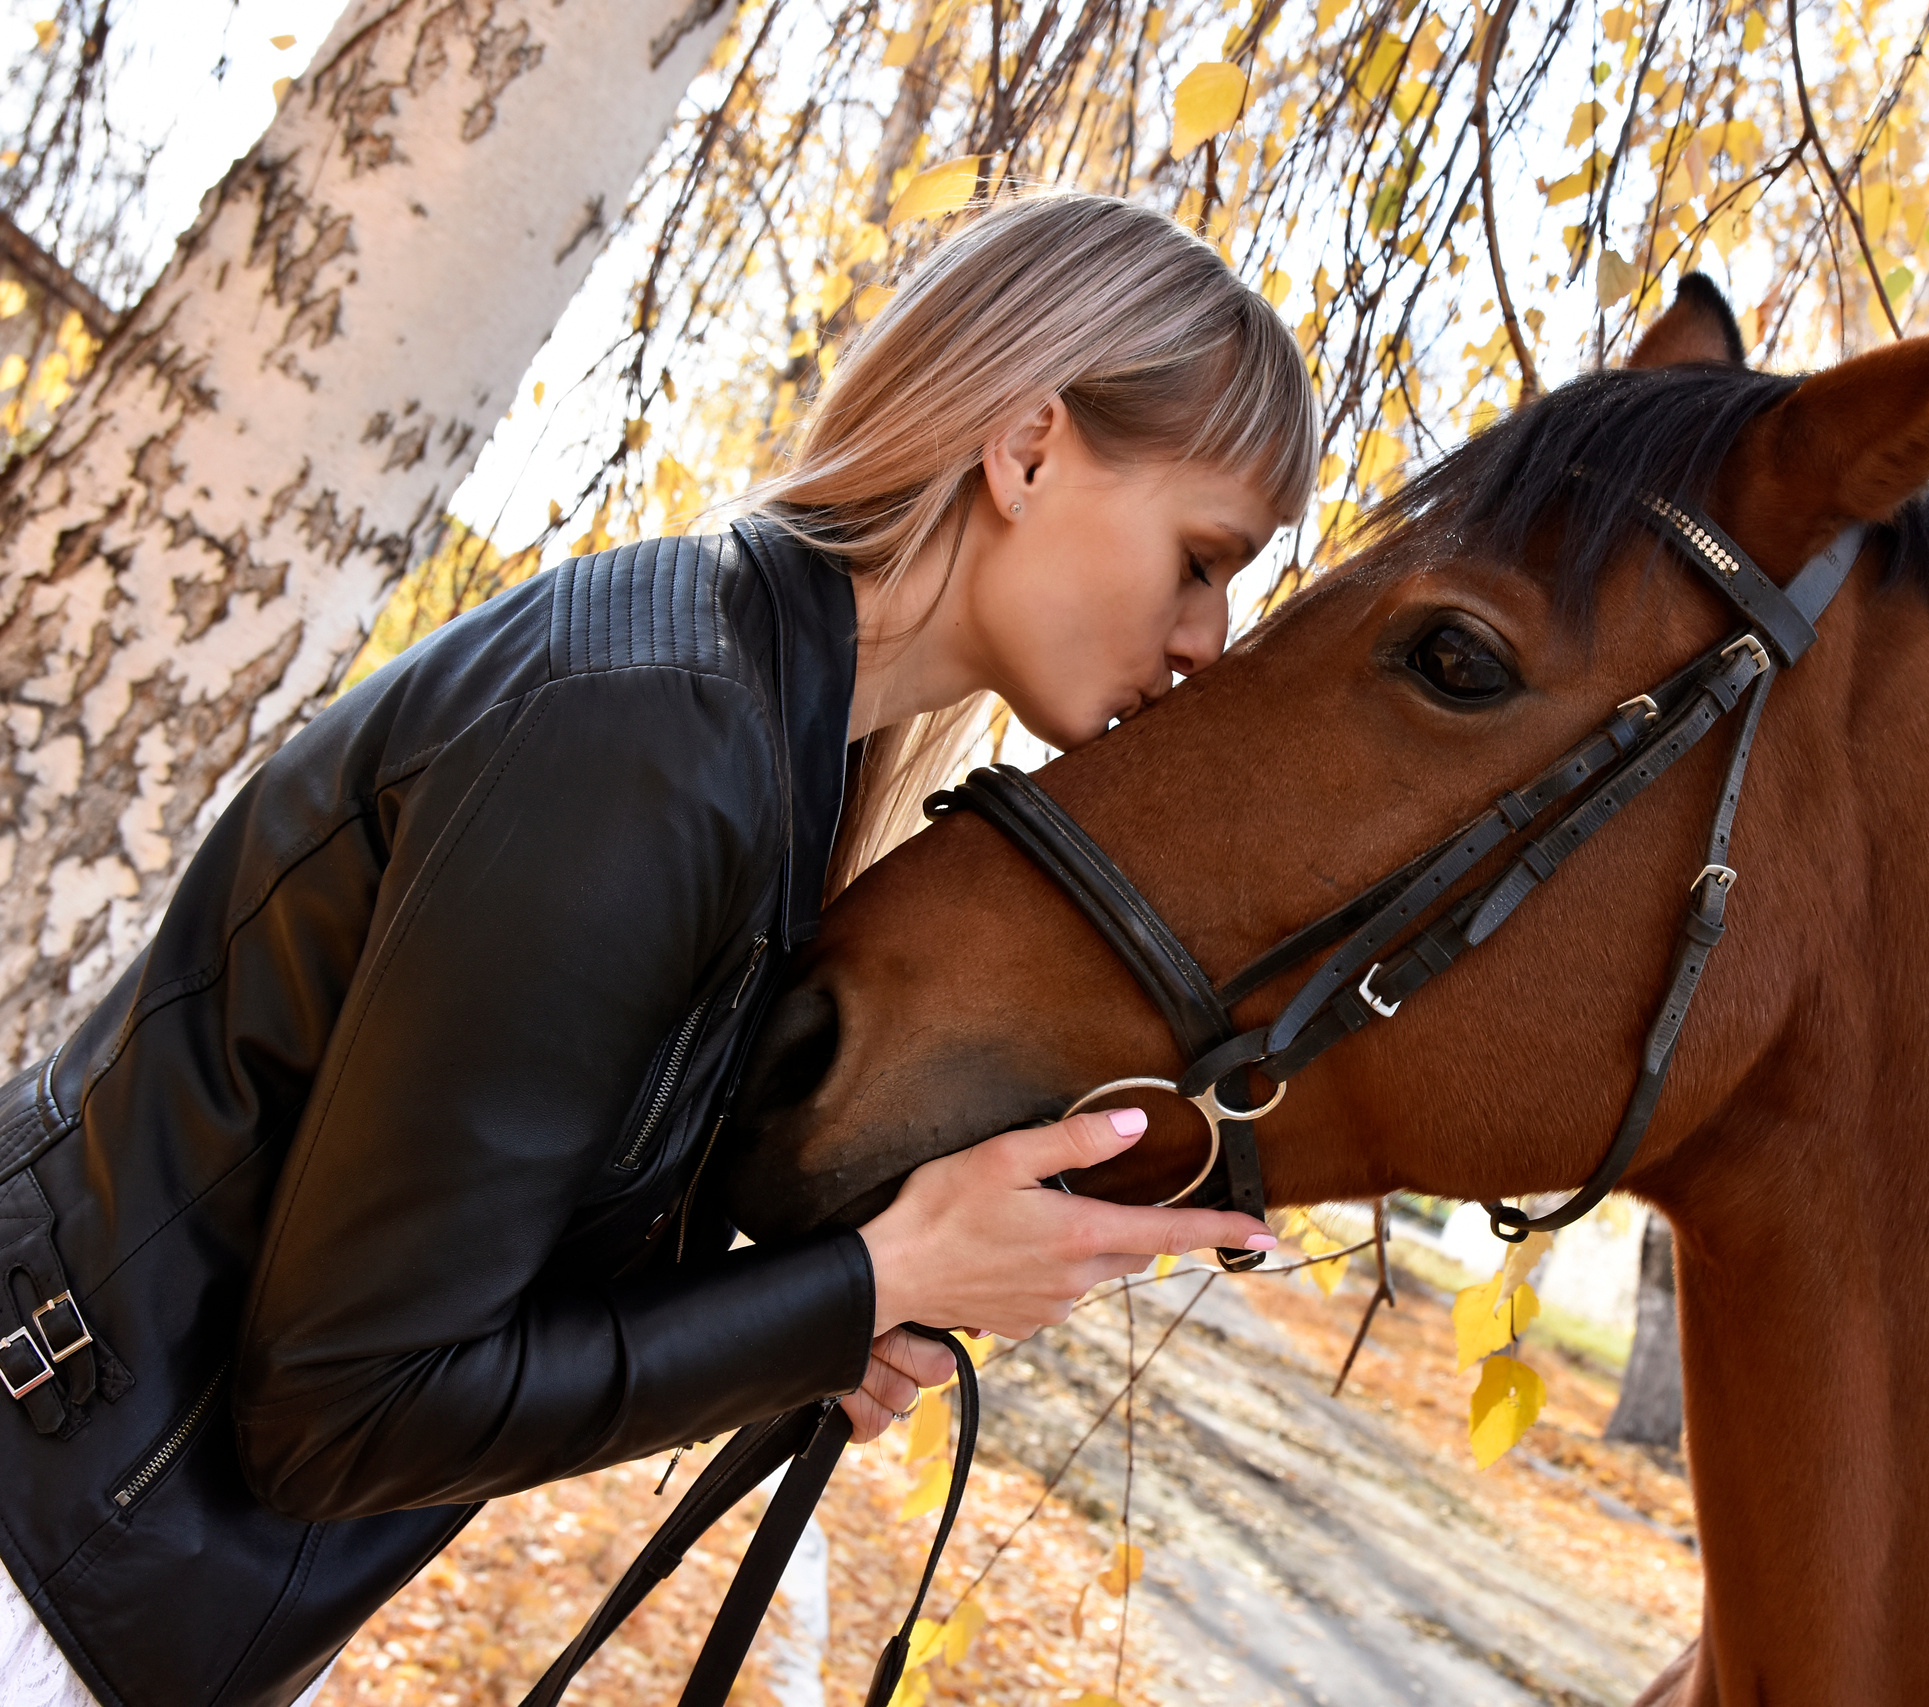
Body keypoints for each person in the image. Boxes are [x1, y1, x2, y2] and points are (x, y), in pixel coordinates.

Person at [0, 190, 1315, 1707]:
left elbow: (456, 1290)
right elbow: (346, 1409)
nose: (1207, 639)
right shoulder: (656, 736)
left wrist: (821, 1320)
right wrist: (884, 1273)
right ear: (1026, 451)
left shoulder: (756, 733)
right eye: (1202, 558)